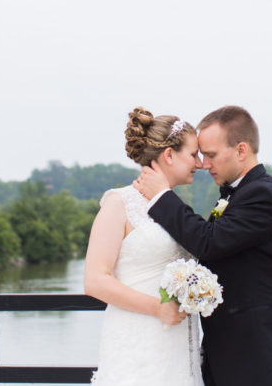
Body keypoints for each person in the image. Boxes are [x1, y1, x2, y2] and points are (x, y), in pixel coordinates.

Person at [135, 105, 272, 386]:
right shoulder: (239, 194)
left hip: (266, 365)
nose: (204, 164)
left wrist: (161, 196)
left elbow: (208, 242)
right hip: (238, 363)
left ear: (241, 150)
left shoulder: (264, 195)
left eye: (210, 155)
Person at [84, 107, 205, 386]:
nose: (199, 163)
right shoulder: (119, 203)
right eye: (193, 154)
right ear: (169, 155)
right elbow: (94, 281)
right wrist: (157, 307)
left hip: (178, 349)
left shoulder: (174, 208)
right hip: (138, 343)